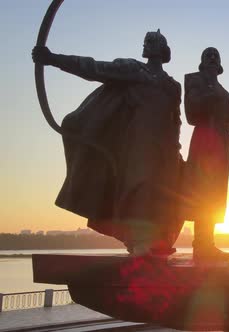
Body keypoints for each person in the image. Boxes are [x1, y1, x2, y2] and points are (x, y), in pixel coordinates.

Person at [32, 30, 184, 256]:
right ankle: (139, 240)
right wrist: (53, 59)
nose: (150, 45)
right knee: (138, 188)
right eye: (148, 42)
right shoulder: (133, 69)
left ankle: (160, 239)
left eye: (156, 42)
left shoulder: (172, 85)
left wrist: (175, 147)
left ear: (164, 50)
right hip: (138, 143)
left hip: (166, 148)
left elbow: (176, 120)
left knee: (171, 192)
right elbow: (93, 68)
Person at [183, 47, 229, 261]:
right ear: (202, 63)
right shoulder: (194, 81)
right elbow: (191, 113)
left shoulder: (224, 93)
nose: (211, 59)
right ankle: (201, 245)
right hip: (204, 143)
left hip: (221, 147)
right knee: (202, 192)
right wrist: (209, 90)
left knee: (215, 195)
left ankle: (208, 244)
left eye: (215, 56)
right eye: (207, 56)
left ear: (219, 66)